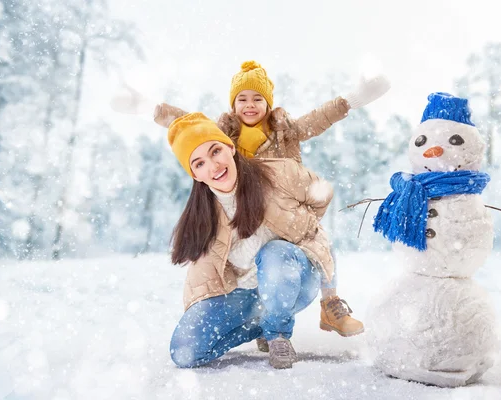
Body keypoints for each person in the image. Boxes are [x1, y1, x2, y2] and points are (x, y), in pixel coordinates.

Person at [155, 60, 390, 337]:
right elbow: (192, 126)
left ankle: (330, 303)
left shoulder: (284, 129)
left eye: (257, 98)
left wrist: (351, 99)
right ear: (233, 105)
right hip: (249, 208)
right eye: (242, 99)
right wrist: (157, 112)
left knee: (317, 238)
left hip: (287, 201)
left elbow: (318, 119)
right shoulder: (225, 134)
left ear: (268, 104)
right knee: (253, 259)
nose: (250, 105)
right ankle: (264, 317)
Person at [168, 112, 337, 369]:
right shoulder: (203, 215)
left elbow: (322, 193)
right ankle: (262, 321)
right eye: (199, 163)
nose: (213, 167)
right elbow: (204, 274)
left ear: (230, 147)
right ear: (194, 175)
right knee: (184, 352)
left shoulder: (279, 173)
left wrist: (305, 231)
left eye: (215, 151)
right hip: (250, 292)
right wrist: (201, 316)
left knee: (275, 251)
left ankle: (277, 333)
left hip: (295, 277)